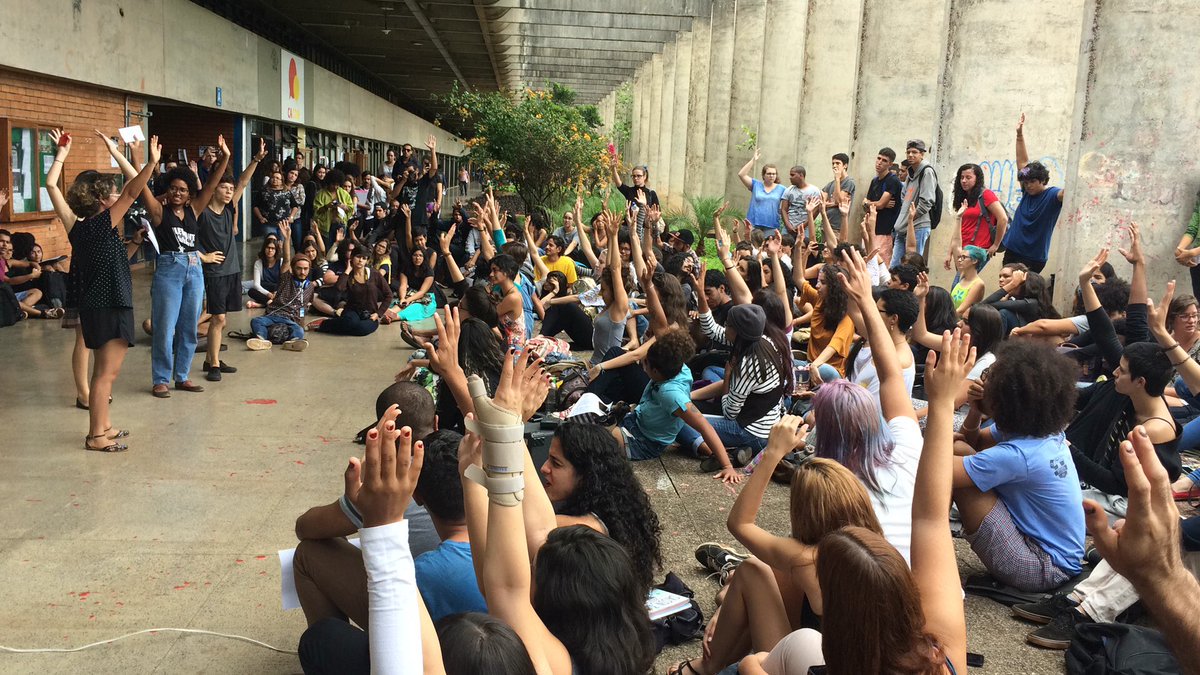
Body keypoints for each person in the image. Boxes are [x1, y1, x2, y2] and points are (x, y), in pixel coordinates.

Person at [737, 327, 976, 675]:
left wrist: (750, 665)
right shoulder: (944, 659)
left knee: (771, 635)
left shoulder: (819, 639)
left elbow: (929, 516)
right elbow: (932, 517)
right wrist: (942, 404)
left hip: (808, 643)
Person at [679, 426, 883, 675]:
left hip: (813, 665)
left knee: (752, 571)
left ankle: (707, 666)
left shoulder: (810, 558)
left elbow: (739, 523)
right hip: (839, 656)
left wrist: (773, 452)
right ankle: (729, 593)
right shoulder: (874, 547)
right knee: (764, 574)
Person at [46, 129, 161, 452]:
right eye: (111, 195)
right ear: (101, 200)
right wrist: (150, 163)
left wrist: (62, 155)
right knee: (106, 376)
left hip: (97, 305)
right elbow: (133, 189)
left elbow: (51, 185)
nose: (117, 198)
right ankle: (96, 435)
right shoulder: (105, 221)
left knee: (103, 372)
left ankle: (104, 425)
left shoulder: (75, 226)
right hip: (110, 303)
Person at [954, 340, 1086, 592]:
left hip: (1041, 566)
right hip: (1054, 556)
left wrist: (940, 402)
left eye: (989, 379)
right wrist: (975, 411)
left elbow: (936, 472)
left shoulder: (1019, 455)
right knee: (959, 449)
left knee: (956, 464)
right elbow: (973, 441)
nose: (983, 382)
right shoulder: (1039, 431)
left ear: (1008, 400)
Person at [135, 135, 229, 398]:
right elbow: (141, 188)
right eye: (173, 188)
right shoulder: (158, 212)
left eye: (183, 189)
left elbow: (211, 185)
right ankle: (161, 379)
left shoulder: (194, 210)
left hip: (194, 268)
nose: (177, 192)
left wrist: (225, 158)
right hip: (169, 269)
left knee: (188, 327)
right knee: (165, 328)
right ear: (167, 190)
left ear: (189, 194)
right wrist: (146, 161)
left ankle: (182, 376)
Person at [609, 327, 742, 484]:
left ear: (657, 372)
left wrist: (727, 466)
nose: (643, 366)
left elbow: (705, 426)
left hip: (643, 441)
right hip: (637, 420)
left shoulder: (670, 394)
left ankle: (727, 458)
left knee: (599, 441)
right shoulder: (679, 367)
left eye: (646, 364)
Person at [540, 422, 663, 589]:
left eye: (556, 463)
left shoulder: (583, 527)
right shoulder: (613, 511)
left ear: (586, 476)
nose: (544, 468)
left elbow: (522, 525)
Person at [684, 303, 791, 461]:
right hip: (763, 421)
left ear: (737, 331)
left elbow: (729, 413)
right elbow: (713, 330)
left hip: (751, 432)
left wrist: (727, 375)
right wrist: (700, 294)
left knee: (682, 420)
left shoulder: (749, 364)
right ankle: (733, 451)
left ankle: (719, 454)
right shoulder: (763, 340)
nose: (724, 327)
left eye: (727, 324)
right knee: (697, 400)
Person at [199, 137, 267, 382]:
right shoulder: (202, 212)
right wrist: (203, 256)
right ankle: (214, 363)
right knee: (218, 318)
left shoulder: (230, 208)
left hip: (232, 270)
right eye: (223, 188)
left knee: (223, 319)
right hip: (215, 272)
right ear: (214, 188)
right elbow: (185, 242)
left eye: (230, 189)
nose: (229, 192)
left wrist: (256, 160)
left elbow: (243, 181)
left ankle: (210, 358)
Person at [1000, 114, 1066, 273]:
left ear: (1042, 180)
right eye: (1026, 182)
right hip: (1013, 251)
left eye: (1032, 182)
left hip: (1033, 257)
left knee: (1026, 293)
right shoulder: (1026, 191)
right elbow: (1022, 162)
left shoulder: (1053, 195)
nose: (1028, 185)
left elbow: (1069, 193)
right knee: (1007, 288)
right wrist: (1019, 135)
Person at [247, 236, 314, 352]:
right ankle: (262, 340)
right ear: (293, 269)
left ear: (309, 269)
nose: (302, 272)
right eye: (299, 268)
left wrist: (301, 322)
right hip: (274, 314)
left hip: (291, 319)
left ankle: (292, 342)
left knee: (299, 331)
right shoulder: (286, 279)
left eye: (305, 269)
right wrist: (288, 238)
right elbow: (287, 260)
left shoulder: (310, 287)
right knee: (256, 321)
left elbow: (303, 307)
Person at [312, 248, 392, 336]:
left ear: (367, 261)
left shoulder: (374, 274)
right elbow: (339, 288)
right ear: (352, 258)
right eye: (358, 257)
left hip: (370, 314)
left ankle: (336, 324)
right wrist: (347, 270)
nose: (360, 260)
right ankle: (324, 324)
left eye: (364, 258)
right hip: (352, 311)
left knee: (361, 329)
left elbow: (388, 295)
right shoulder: (348, 275)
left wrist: (378, 314)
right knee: (350, 323)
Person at [946, 163, 1007, 271]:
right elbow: (959, 227)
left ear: (977, 179)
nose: (964, 181)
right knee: (963, 284)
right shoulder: (964, 198)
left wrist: (996, 245)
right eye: (962, 177)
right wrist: (950, 252)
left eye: (968, 177)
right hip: (961, 248)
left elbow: (1003, 219)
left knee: (960, 283)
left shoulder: (986, 194)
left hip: (978, 250)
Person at [890, 139, 937, 266]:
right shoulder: (911, 172)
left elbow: (927, 201)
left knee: (912, 267)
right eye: (908, 152)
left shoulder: (927, 172)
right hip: (902, 228)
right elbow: (904, 198)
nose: (910, 155)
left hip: (918, 226)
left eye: (914, 152)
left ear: (922, 154)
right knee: (895, 266)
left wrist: (911, 218)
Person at [864, 147, 904, 264]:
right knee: (867, 261)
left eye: (884, 160)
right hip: (871, 228)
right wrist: (869, 203)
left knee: (880, 264)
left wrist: (871, 204)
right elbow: (866, 203)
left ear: (890, 164)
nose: (879, 162)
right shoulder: (874, 181)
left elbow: (880, 204)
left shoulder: (892, 180)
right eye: (878, 158)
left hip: (885, 231)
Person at [609, 154, 659, 236]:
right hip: (628, 226)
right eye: (633, 176)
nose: (636, 178)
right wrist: (614, 169)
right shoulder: (629, 191)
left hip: (644, 228)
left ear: (645, 176)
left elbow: (656, 211)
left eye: (638, 176)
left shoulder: (651, 193)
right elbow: (618, 183)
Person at [739, 148, 784, 232]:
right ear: (763, 175)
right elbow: (741, 174)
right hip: (754, 225)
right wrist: (753, 160)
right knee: (752, 245)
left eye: (774, 174)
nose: (771, 176)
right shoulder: (756, 185)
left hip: (772, 225)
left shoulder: (782, 189)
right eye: (769, 173)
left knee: (770, 245)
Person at [253, 169, 299, 239]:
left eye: (277, 178)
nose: (274, 179)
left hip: (284, 224)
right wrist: (260, 217)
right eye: (273, 177)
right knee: (271, 242)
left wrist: (291, 217)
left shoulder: (286, 192)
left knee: (283, 244)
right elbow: (255, 206)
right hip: (269, 223)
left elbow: (295, 206)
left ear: (281, 181)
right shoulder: (264, 191)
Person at [779, 165, 823, 238]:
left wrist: (803, 225)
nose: (790, 177)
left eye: (792, 175)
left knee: (804, 247)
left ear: (801, 175)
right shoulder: (788, 190)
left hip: (806, 228)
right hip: (789, 228)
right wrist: (788, 226)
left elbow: (816, 211)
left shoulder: (814, 191)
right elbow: (783, 209)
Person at [821, 153, 856, 234]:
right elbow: (821, 202)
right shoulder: (830, 184)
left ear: (845, 165)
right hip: (826, 225)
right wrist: (832, 204)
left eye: (837, 163)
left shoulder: (849, 182)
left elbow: (838, 201)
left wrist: (837, 179)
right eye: (833, 163)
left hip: (837, 227)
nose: (834, 166)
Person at [247, 238, 282, 307]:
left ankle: (261, 304)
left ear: (276, 250)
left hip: (278, 289)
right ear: (264, 248)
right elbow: (256, 284)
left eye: (273, 248)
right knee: (251, 291)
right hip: (266, 290)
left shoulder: (281, 262)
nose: (270, 250)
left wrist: (276, 293)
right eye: (268, 247)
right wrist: (268, 294)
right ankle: (270, 303)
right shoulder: (258, 263)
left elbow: (284, 282)